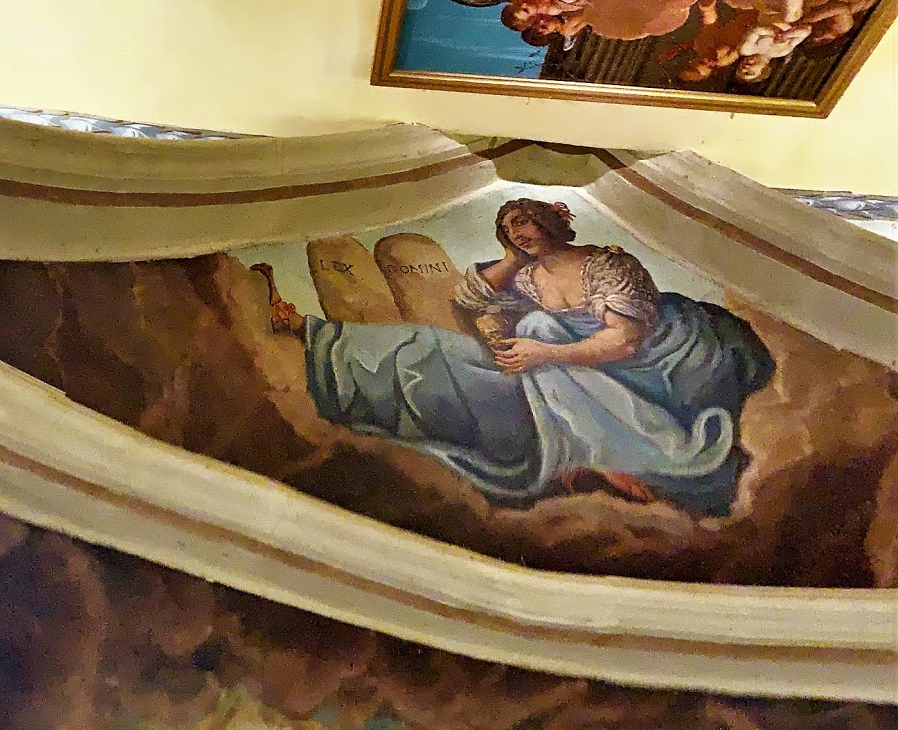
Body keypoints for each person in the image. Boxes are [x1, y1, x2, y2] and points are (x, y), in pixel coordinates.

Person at [254, 197, 774, 516]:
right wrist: (510, 260)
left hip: (637, 381)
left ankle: (603, 455)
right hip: (548, 378)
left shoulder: (609, 267)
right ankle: (309, 332)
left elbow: (625, 342)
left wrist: (542, 350)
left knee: (528, 332)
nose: (519, 232)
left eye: (525, 222)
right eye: (508, 228)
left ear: (554, 221)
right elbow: (469, 299)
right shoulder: (528, 275)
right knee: (427, 348)